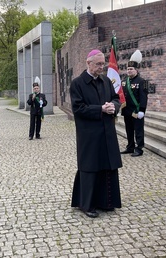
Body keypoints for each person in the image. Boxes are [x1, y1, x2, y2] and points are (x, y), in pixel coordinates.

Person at [69, 49, 123, 218]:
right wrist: (100, 109)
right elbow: (78, 109)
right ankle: (87, 205)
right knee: (90, 167)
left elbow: (116, 98)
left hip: (107, 131)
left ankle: (106, 202)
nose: (101, 67)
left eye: (103, 64)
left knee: (107, 165)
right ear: (88, 63)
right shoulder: (77, 83)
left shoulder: (106, 81)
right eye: (98, 64)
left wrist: (114, 106)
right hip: (89, 134)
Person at [120, 50, 149, 157]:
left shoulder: (143, 81)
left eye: (131, 69)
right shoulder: (124, 81)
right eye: (128, 69)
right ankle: (130, 147)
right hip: (127, 110)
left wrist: (142, 110)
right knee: (129, 130)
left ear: (136, 70)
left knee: (138, 131)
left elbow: (144, 97)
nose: (129, 71)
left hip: (137, 111)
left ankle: (139, 148)